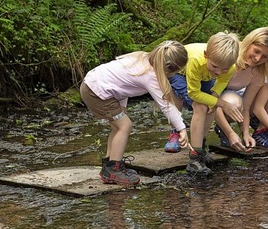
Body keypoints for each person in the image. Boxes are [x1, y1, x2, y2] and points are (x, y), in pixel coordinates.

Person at [80, 40, 190, 186]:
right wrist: (181, 128)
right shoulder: (151, 76)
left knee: (118, 126)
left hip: (95, 85)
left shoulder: (142, 58)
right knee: (124, 126)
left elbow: (121, 83)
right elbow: (166, 106)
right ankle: (113, 169)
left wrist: (122, 107)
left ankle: (109, 164)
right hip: (96, 92)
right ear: (169, 69)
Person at [168, 32, 242, 175]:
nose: (219, 71)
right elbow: (194, 93)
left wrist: (214, 97)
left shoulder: (228, 66)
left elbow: (222, 81)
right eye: (215, 66)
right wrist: (222, 103)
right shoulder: (196, 60)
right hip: (180, 74)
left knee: (211, 106)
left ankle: (200, 145)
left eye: (224, 69)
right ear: (206, 54)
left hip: (205, 76)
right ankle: (195, 158)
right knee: (200, 106)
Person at [213, 27, 268, 150]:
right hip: (205, 95)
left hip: (228, 97)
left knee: (238, 104)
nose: (258, 59)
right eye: (256, 51)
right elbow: (210, 100)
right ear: (248, 44)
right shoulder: (229, 56)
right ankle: (224, 129)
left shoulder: (259, 72)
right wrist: (230, 133)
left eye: (264, 56)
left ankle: (225, 128)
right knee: (234, 104)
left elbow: (246, 106)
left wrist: (246, 134)